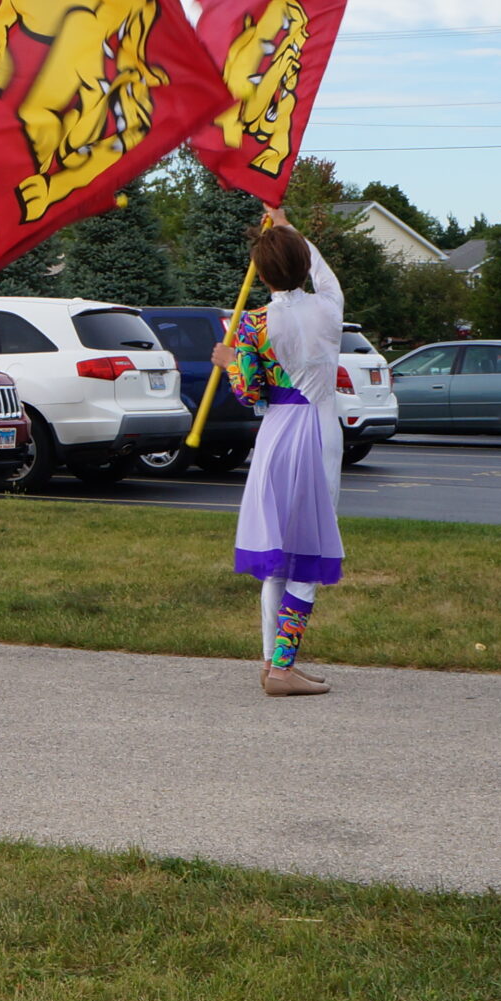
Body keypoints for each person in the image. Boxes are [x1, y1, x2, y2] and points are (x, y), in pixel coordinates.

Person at [211, 212, 344, 698]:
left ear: (261, 276)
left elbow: (251, 394)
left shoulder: (253, 324)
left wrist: (229, 364)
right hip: (319, 434)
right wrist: (293, 230)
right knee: (308, 548)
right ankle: (283, 669)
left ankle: (273, 663)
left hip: (276, 436)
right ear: (304, 262)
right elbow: (324, 274)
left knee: (277, 552)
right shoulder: (330, 309)